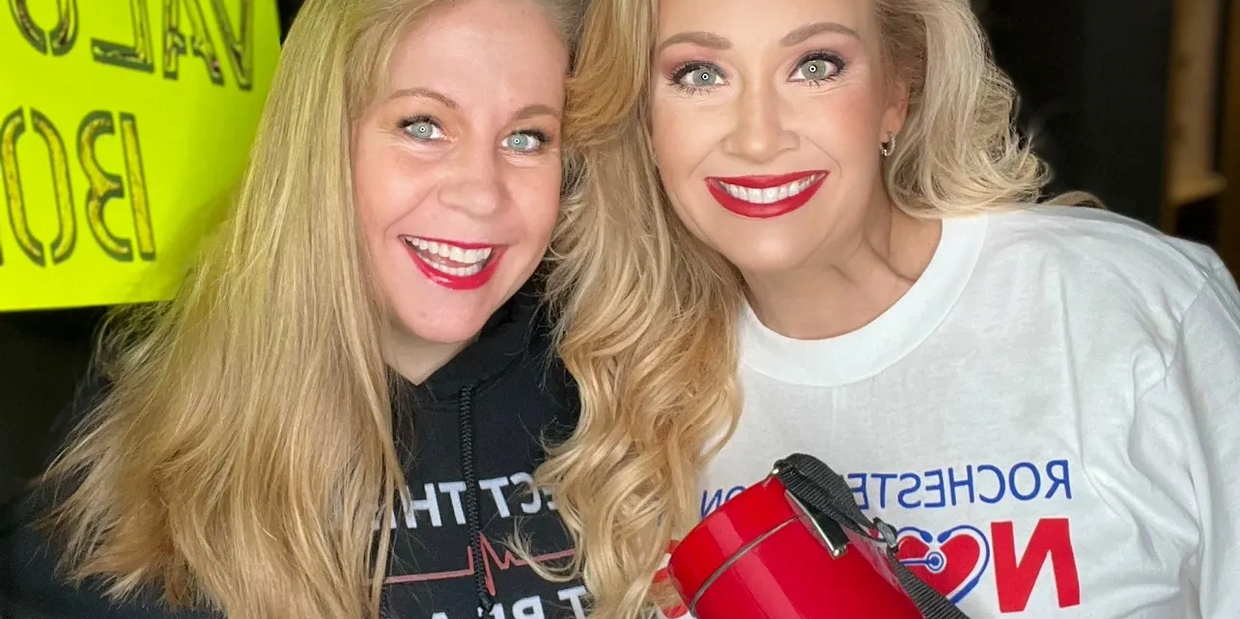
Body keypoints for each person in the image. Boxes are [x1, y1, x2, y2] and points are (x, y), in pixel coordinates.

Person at [537, 0, 1240, 617]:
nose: (756, 136)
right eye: (699, 74)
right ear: (645, 117)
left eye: (815, 64)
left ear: (898, 91)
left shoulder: (1130, 307)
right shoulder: (635, 385)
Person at [0, 0, 588, 617]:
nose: (480, 194)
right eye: (422, 125)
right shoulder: (140, 467)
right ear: (318, 144)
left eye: (527, 138)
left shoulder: (613, 394)